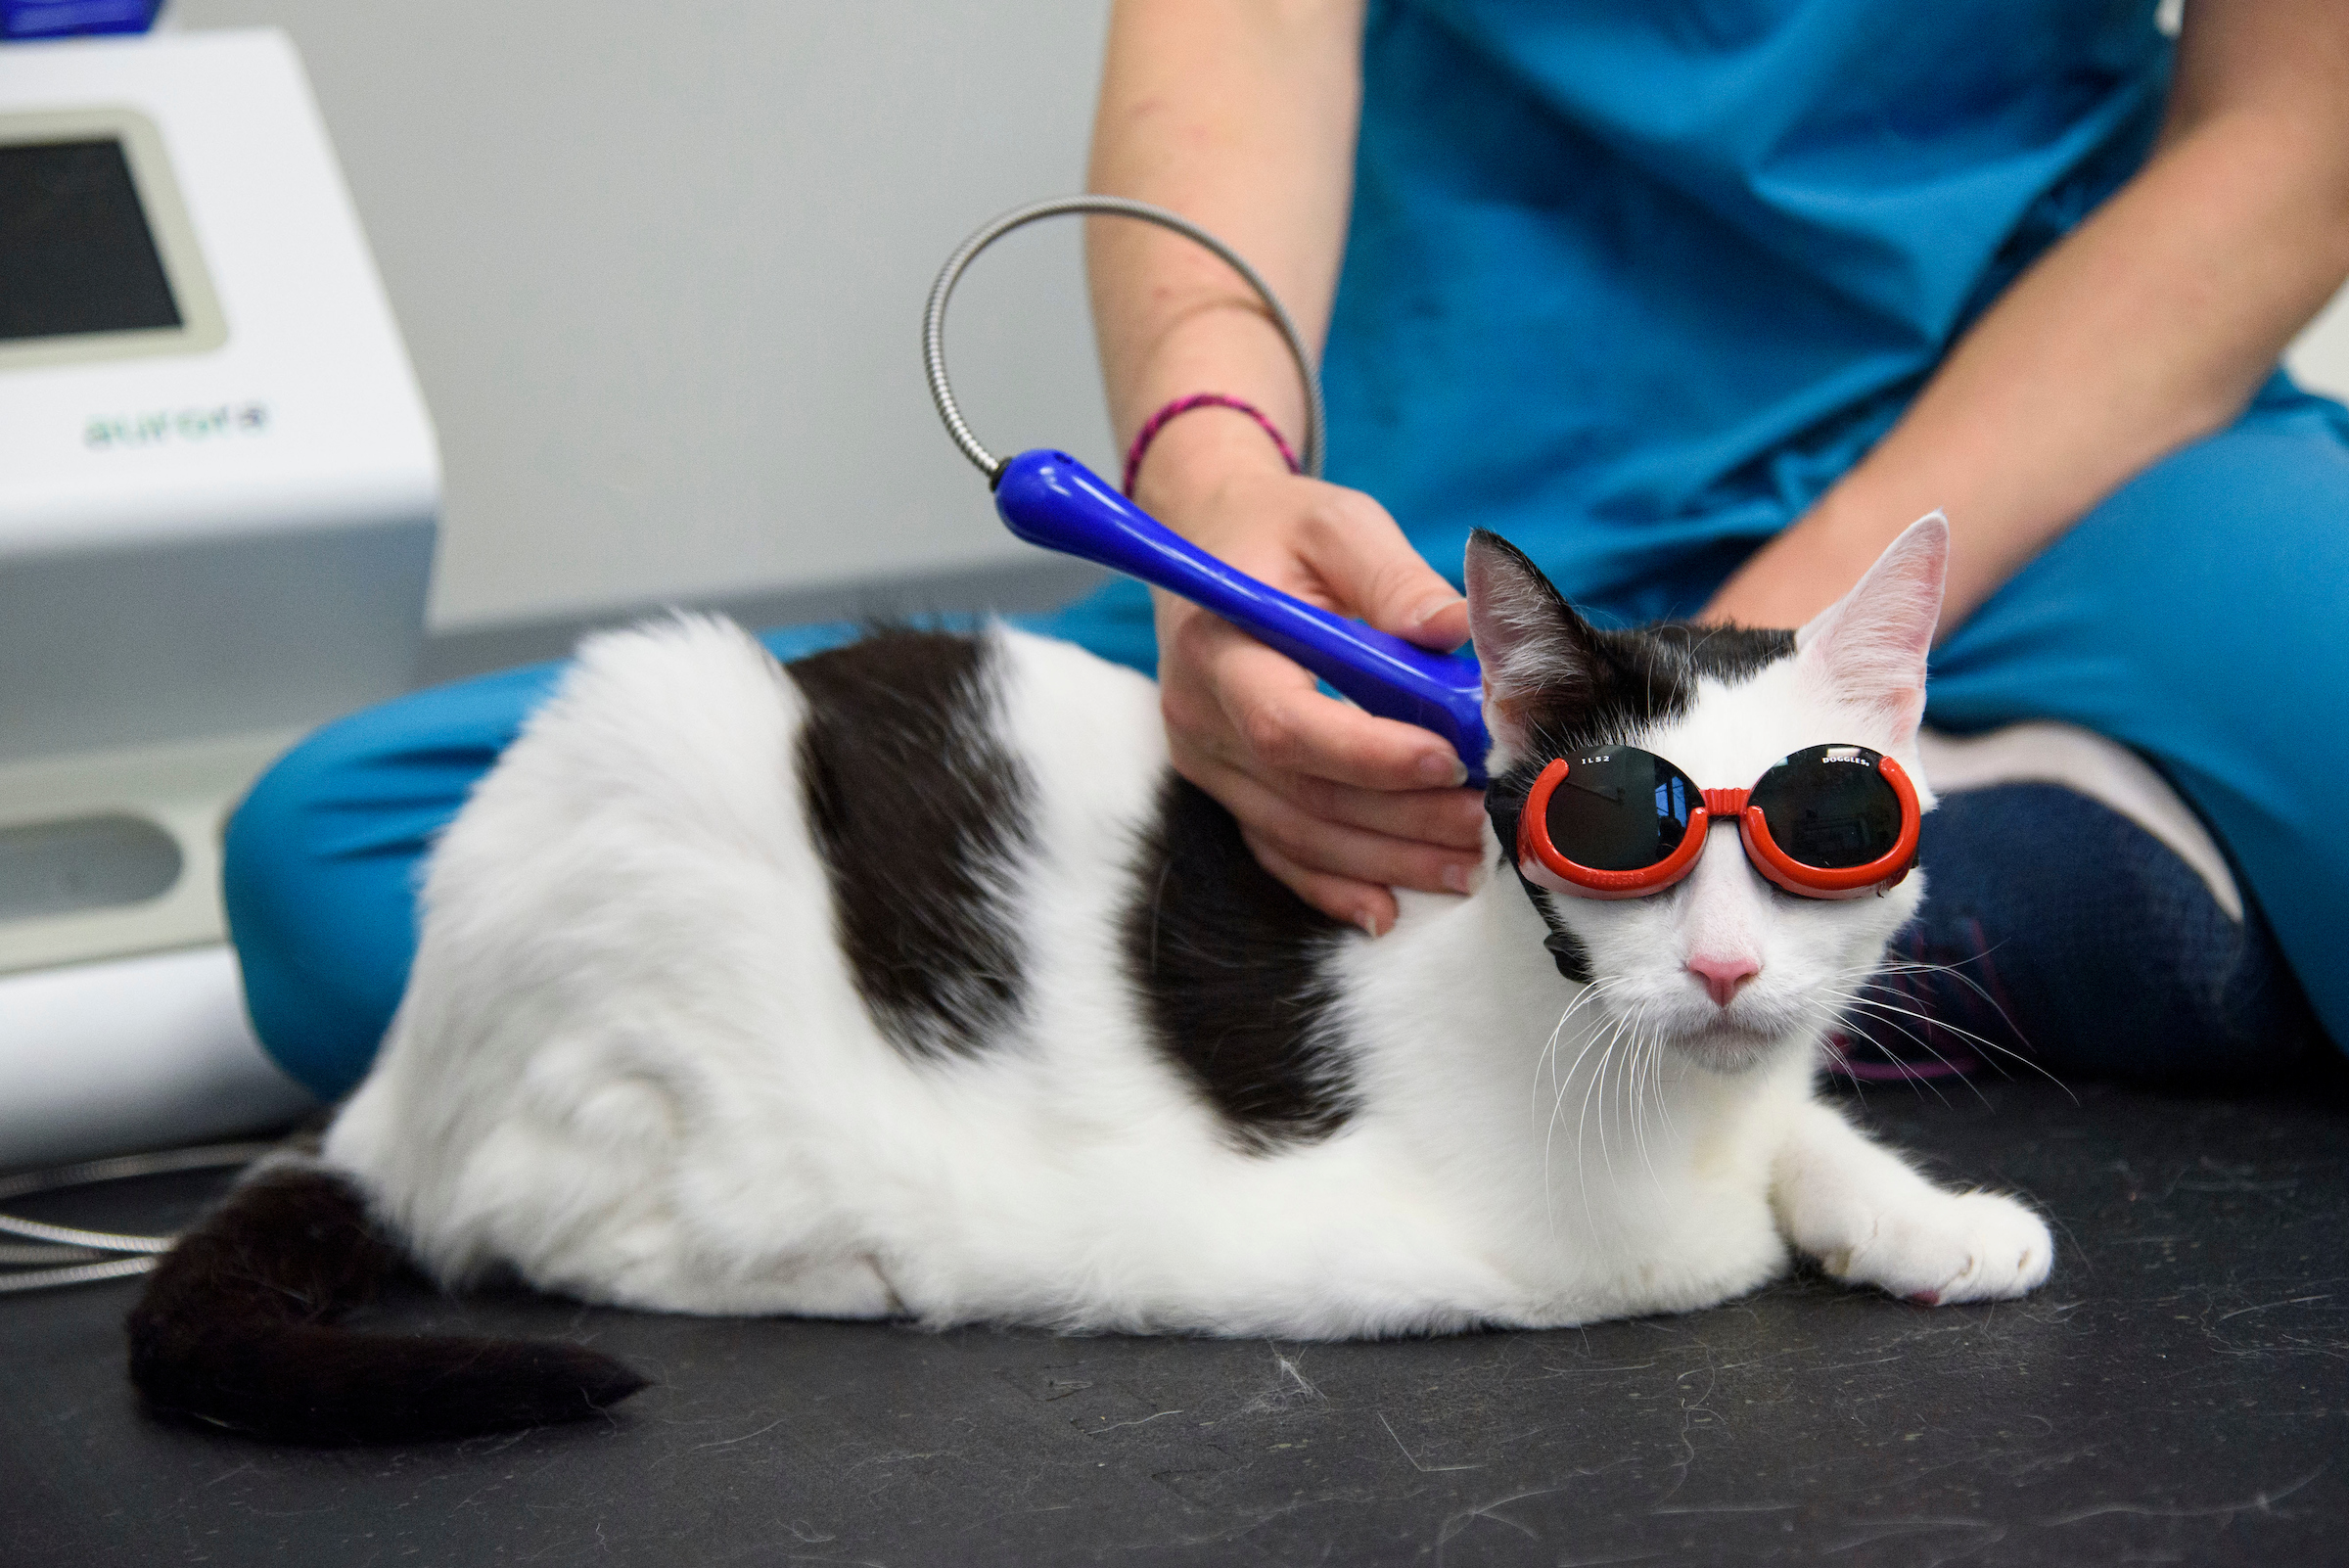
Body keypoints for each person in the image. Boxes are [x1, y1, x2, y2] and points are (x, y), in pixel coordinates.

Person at [227, 0, 2348, 1101]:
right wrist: (1214, 489)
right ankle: (1901, 902)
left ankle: (1642, 966)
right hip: (1440, 530)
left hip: (2062, 450)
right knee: (378, 878)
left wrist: (1768, 669)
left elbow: (2299, 115)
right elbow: (1239, 27)